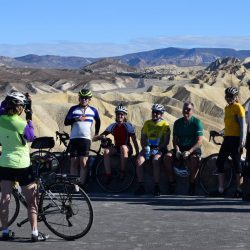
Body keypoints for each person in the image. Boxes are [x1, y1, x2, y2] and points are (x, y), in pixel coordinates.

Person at [0, 92, 49, 242]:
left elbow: (2, 106)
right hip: (22, 165)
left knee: (5, 199)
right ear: (19, 108)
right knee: (32, 200)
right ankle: (34, 233)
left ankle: (5, 231)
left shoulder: (0, 119)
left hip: (5, 163)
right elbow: (31, 137)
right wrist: (29, 118)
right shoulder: (21, 124)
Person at [211, 87, 246, 197]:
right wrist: (219, 132)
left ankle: (239, 190)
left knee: (237, 165)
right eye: (227, 96)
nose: (228, 98)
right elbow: (228, 126)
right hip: (228, 139)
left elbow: (243, 127)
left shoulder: (238, 108)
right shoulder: (227, 108)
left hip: (236, 139)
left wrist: (242, 143)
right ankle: (221, 190)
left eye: (231, 96)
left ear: (236, 97)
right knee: (220, 162)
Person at [164, 102, 203, 195]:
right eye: (184, 109)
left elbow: (199, 142)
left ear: (193, 111)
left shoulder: (197, 122)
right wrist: (177, 150)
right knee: (167, 157)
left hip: (193, 148)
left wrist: (189, 152)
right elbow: (175, 140)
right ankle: (172, 182)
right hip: (180, 147)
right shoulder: (177, 123)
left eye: (189, 109)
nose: (186, 111)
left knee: (195, 160)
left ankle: (192, 183)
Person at [93, 104, 139, 183]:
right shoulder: (112, 126)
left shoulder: (128, 126)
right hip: (117, 147)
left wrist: (137, 152)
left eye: (122, 114)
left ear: (124, 116)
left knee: (123, 147)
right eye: (118, 114)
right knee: (106, 151)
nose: (119, 116)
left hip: (127, 148)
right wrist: (97, 138)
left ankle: (122, 172)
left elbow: (134, 141)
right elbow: (102, 135)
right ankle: (108, 175)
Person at [64, 89, 101, 187]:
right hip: (74, 138)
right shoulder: (73, 109)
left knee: (83, 162)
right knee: (73, 162)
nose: (84, 100)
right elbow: (66, 122)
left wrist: (96, 133)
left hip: (86, 139)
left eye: (86, 98)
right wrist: (76, 119)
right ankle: (74, 185)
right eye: (82, 98)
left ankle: (82, 185)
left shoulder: (93, 110)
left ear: (89, 99)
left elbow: (98, 121)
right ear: (79, 98)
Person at [134, 104, 170, 196]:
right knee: (139, 161)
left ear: (161, 114)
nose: (154, 114)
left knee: (155, 161)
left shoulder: (165, 124)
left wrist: (158, 149)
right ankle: (141, 186)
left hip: (160, 148)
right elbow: (143, 138)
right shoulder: (147, 123)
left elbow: (166, 141)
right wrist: (145, 147)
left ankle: (157, 186)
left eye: (157, 113)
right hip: (149, 147)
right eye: (153, 112)